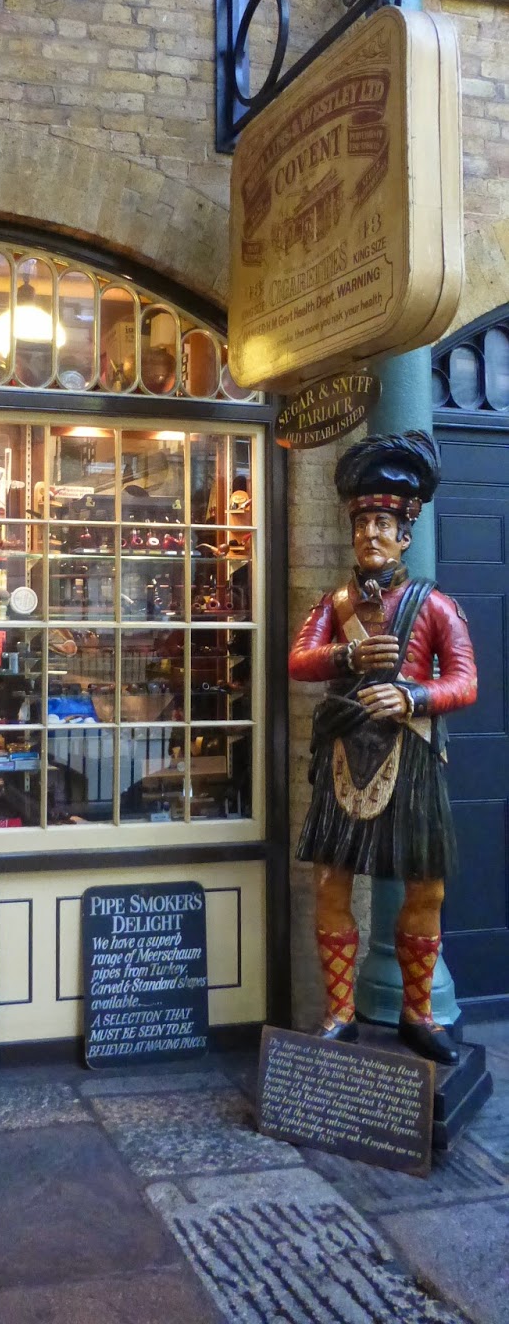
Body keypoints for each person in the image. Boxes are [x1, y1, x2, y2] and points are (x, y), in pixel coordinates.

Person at [290, 431, 477, 1064]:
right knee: (330, 880)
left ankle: (418, 1013)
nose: (370, 534)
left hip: (412, 756)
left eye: (382, 524)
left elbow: (466, 681)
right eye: (362, 524)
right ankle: (340, 1012)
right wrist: (345, 656)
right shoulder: (335, 604)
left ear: (404, 535)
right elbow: (299, 661)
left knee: (427, 888)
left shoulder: (436, 606)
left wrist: (413, 697)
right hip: (346, 751)